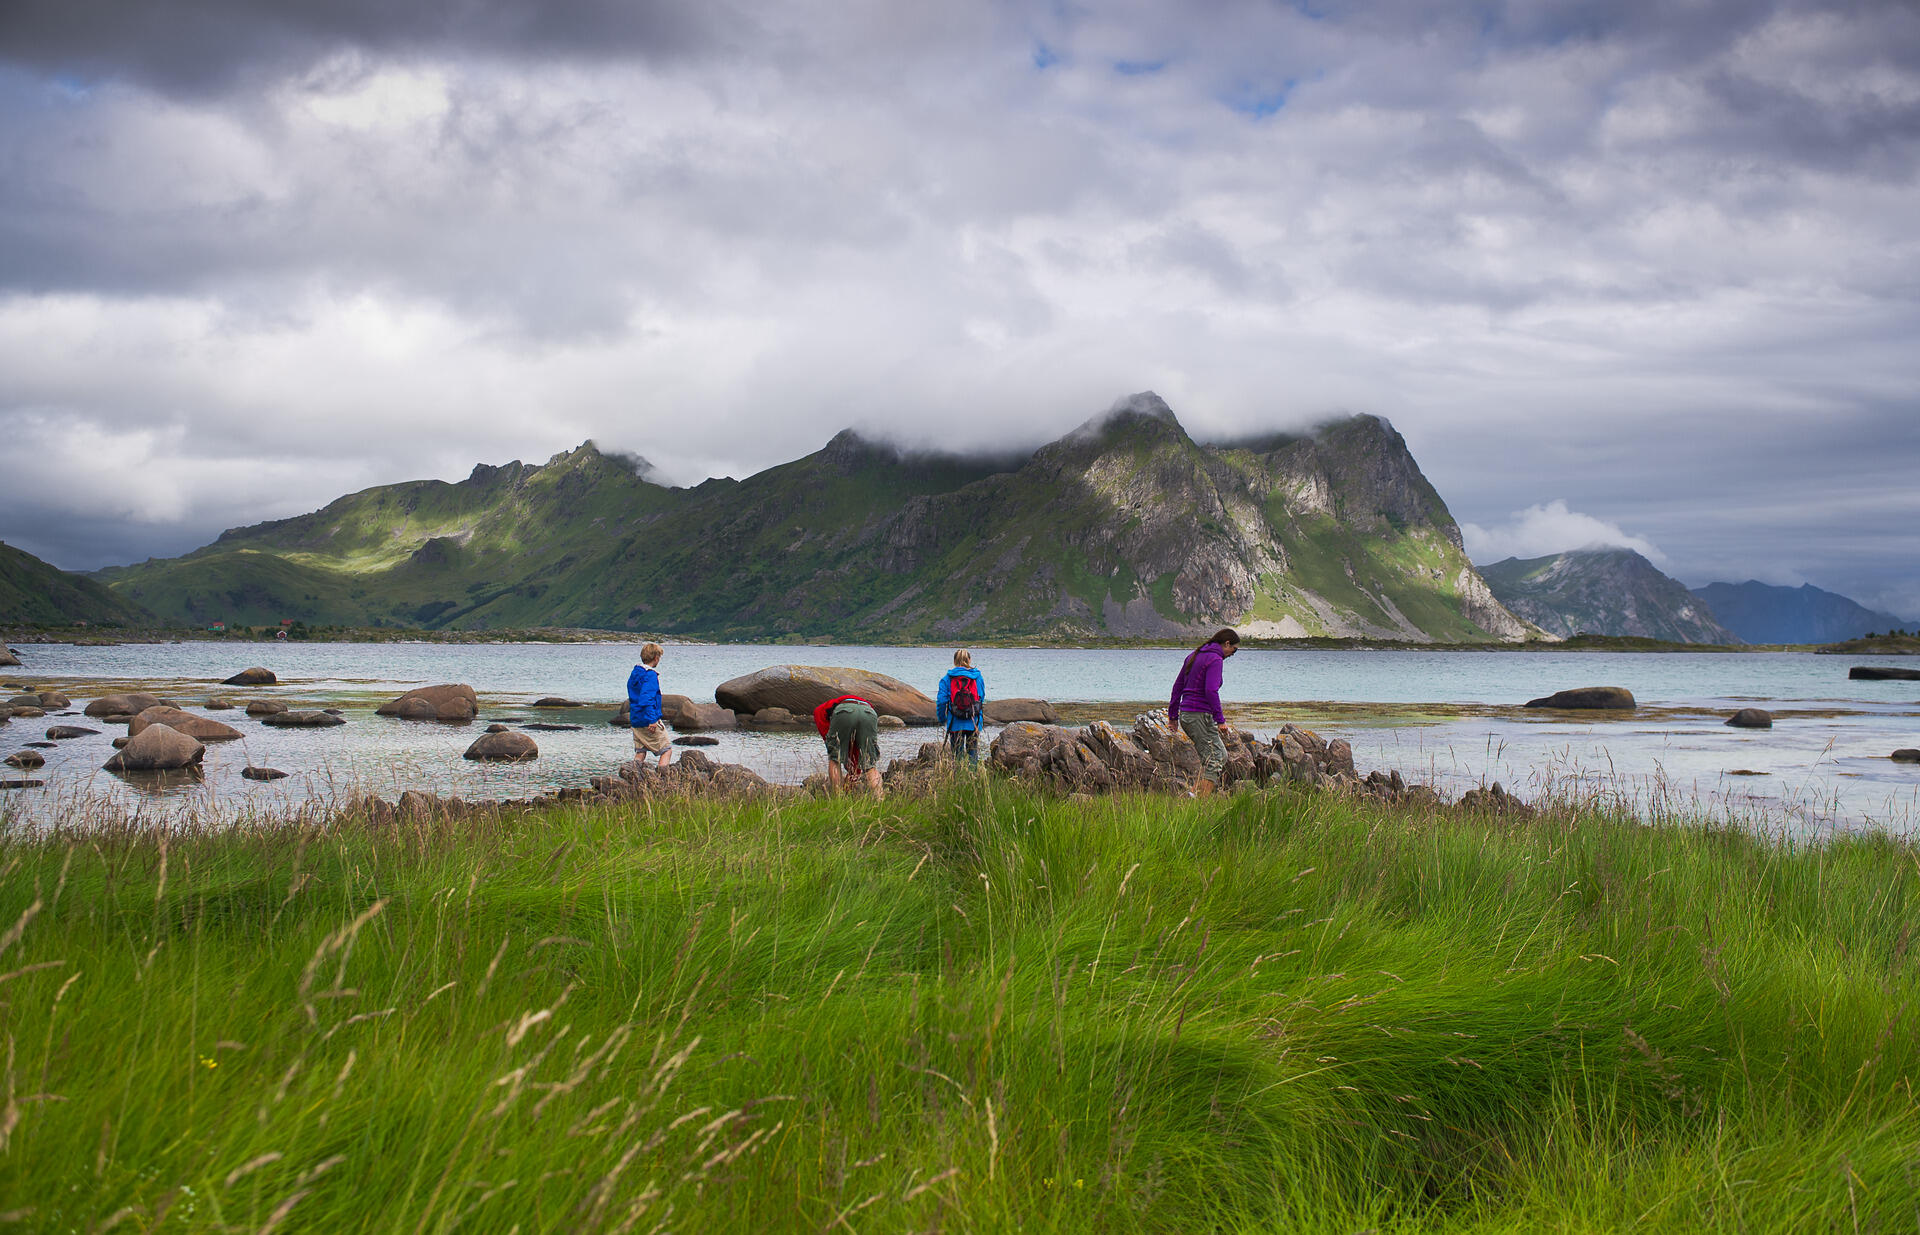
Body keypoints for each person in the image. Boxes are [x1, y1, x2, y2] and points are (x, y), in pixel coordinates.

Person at [1167, 627, 1240, 797]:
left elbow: (1177, 687)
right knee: (1213, 760)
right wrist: (1220, 720)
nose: (1232, 654)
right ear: (1226, 643)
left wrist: (1174, 717)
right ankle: (1200, 803)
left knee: (1220, 755)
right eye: (1234, 650)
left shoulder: (1194, 655)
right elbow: (1211, 691)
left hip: (1192, 715)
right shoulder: (1215, 659)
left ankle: (1192, 795)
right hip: (1197, 715)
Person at [813, 693, 884, 798]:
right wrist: (854, 772)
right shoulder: (860, 703)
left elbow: (818, 714)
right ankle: (879, 798)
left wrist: (832, 745)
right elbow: (856, 748)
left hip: (844, 711)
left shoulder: (826, 708)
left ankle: (837, 799)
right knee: (869, 765)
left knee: (835, 759)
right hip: (869, 713)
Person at [935, 649, 987, 768]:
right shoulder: (978, 677)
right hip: (973, 722)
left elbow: (941, 701)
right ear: (969, 660)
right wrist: (980, 722)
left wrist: (942, 718)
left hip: (955, 723)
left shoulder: (947, 678)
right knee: (973, 756)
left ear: (954, 661)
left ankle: (958, 781)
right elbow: (981, 698)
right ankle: (973, 781)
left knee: (957, 758)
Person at [626, 642, 672, 769]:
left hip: (636, 719)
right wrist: (652, 720)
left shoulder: (635, 672)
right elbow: (646, 698)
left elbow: (635, 694)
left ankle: (633, 775)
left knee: (641, 750)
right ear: (656, 658)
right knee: (666, 749)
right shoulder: (650, 675)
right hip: (648, 719)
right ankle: (662, 779)